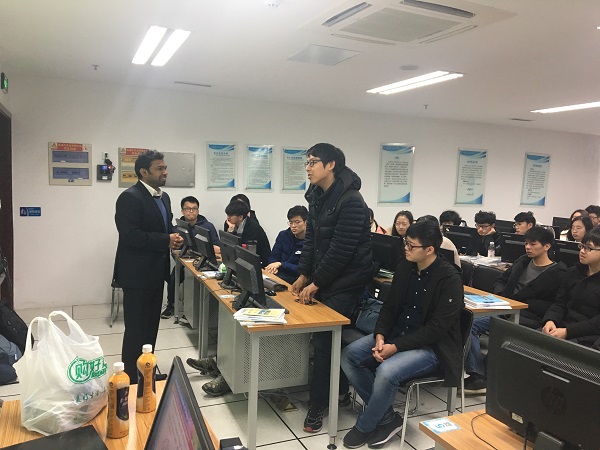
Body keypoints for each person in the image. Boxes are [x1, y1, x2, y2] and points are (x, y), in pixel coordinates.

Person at [340, 220, 463, 448]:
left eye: (411, 245)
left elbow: (437, 329)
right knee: (349, 356)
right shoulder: (406, 267)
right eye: (406, 243)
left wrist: (395, 347)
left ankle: (365, 425)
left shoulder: (450, 279)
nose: (406, 248)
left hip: (432, 347)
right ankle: (388, 419)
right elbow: (390, 307)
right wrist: (380, 335)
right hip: (397, 334)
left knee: (387, 371)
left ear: (430, 249)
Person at [291, 143, 372, 433]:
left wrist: (316, 282)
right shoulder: (317, 195)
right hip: (327, 278)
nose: (308, 167)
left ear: (331, 165)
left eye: (313, 162)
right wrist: (303, 274)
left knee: (325, 340)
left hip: (348, 281)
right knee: (320, 337)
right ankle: (337, 391)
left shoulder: (351, 201)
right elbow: (312, 240)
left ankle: (318, 405)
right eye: (307, 162)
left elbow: (342, 250)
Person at [463, 226, 568, 394]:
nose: (528, 247)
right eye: (526, 243)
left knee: (502, 329)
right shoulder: (522, 261)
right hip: (505, 308)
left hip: (530, 316)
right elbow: (501, 280)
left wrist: (522, 303)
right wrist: (502, 296)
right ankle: (478, 374)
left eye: (533, 244)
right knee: (469, 322)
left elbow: (557, 304)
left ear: (547, 246)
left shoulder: (559, 273)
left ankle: (486, 375)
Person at [113, 150, 183, 382]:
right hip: (136, 275)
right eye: (159, 168)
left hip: (155, 272)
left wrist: (175, 236)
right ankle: (131, 379)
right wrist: (165, 240)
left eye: (165, 168)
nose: (165, 172)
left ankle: (146, 372)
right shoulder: (130, 197)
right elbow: (130, 235)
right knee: (136, 329)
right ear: (144, 172)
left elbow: (166, 226)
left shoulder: (163, 197)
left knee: (151, 327)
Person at [161, 196, 221, 319]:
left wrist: (210, 248)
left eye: (194, 209)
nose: (191, 211)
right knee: (173, 279)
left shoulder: (207, 226)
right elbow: (173, 249)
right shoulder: (177, 228)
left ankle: (196, 312)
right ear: (182, 211)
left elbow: (218, 247)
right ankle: (171, 306)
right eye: (187, 209)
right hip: (185, 263)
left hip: (205, 263)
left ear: (198, 210)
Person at [542, 227, 600, 347]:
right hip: (563, 326)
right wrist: (551, 320)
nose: (582, 251)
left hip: (588, 335)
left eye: (588, 248)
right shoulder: (574, 272)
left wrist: (568, 332)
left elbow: (597, 323)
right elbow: (560, 302)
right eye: (582, 246)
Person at [265, 205, 308, 284]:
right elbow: (273, 256)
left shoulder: (310, 242)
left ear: (306, 222)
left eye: (297, 222)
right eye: (290, 222)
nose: (293, 226)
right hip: (278, 274)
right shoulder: (283, 235)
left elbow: (303, 270)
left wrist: (281, 264)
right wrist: (273, 267)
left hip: (295, 279)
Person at [224, 199, 271, 266]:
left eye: (230, 215)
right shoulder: (229, 224)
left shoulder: (253, 228)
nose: (228, 218)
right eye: (227, 215)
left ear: (240, 217)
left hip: (260, 263)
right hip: (239, 261)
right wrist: (229, 232)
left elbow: (243, 251)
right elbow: (226, 247)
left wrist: (231, 234)